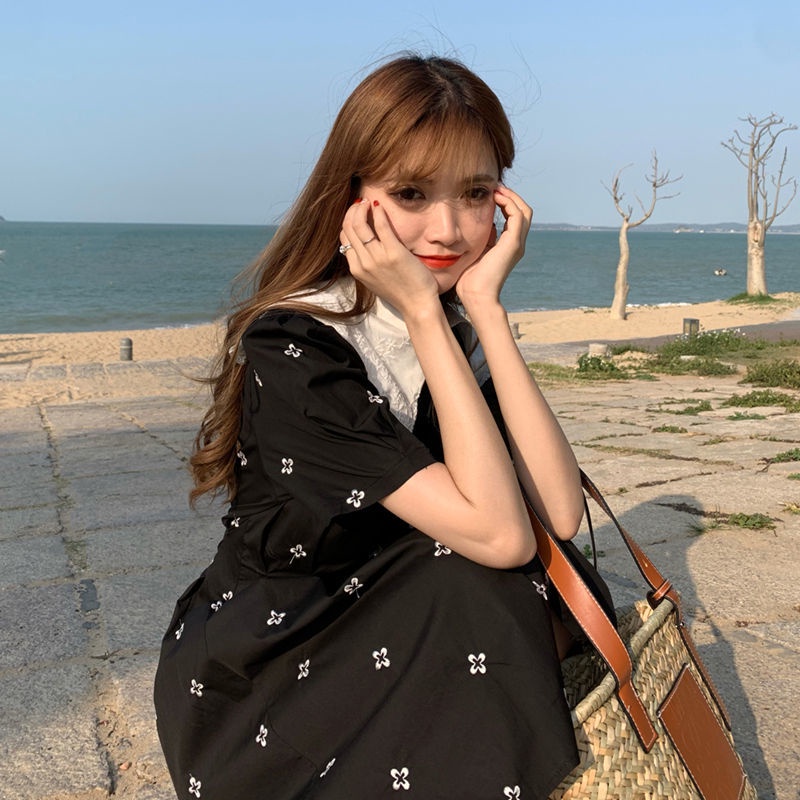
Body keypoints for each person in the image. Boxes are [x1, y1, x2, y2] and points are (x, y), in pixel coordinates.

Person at [154, 54, 586, 800]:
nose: (448, 228)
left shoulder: (448, 323)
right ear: (353, 200)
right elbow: (503, 537)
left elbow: (561, 512)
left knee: (514, 578)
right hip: (276, 657)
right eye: (411, 193)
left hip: (393, 615)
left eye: (475, 193)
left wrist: (485, 310)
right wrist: (423, 311)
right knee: (481, 578)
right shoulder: (298, 348)